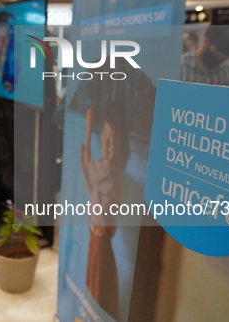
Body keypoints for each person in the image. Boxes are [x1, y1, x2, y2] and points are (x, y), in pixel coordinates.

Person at [80, 101, 129, 321]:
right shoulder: (110, 168)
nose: (107, 143)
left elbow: (91, 168)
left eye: (113, 140)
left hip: (100, 240)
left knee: (97, 290)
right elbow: (94, 193)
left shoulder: (110, 168)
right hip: (96, 237)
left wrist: (89, 129)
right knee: (97, 288)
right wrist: (84, 167)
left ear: (122, 146)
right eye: (104, 135)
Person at [181, 22, 229, 88]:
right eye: (216, 52)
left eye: (224, 58)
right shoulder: (180, 66)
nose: (219, 58)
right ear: (206, 41)